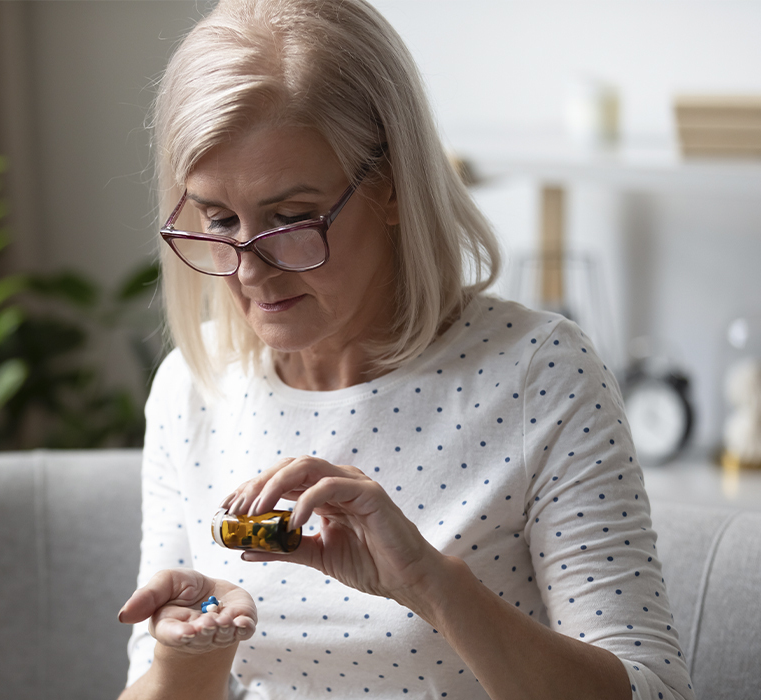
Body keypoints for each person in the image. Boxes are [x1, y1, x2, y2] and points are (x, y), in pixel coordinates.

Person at [116, 1, 695, 698]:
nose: (248, 268)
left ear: (390, 182)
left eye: (291, 218)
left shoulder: (541, 375)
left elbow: (655, 691)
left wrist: (429, 584)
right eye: (217, 219)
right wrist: (194, 652)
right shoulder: (192, 387)